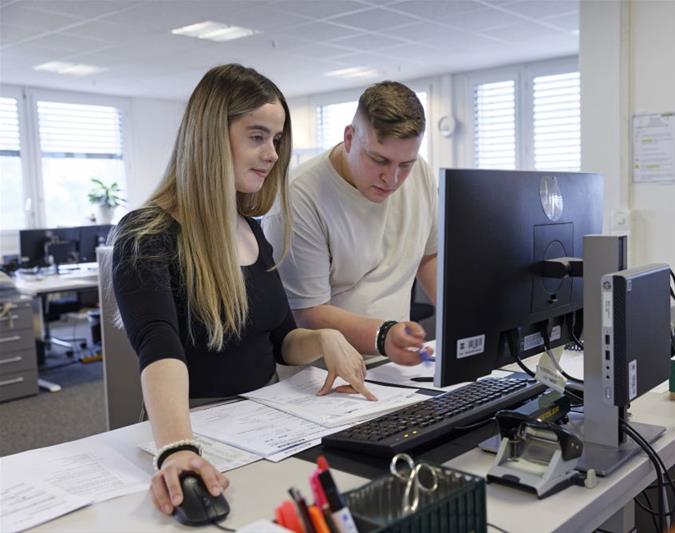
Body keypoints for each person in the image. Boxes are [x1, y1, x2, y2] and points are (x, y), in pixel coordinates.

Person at [111, 64, 375, 517]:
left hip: (263, 426)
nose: (272, 154)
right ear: (211, 138)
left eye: (276, 139)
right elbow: (159, 346)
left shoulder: (250, 229)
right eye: (257, 136)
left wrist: (324, 338)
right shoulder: (146, 234)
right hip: (191, 430)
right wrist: (177, 448)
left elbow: (279, 341)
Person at [263, 81, 437, 365]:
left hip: (396, 365)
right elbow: (306, 312)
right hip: (325, 375)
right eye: (379, 160)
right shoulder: (299, 196)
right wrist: (383, 336)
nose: (392, 179)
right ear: (349, 138)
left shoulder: (422, 175)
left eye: (405, 164)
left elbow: (429, 256)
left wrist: (461, 321)